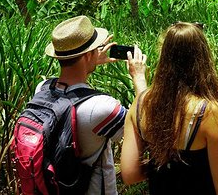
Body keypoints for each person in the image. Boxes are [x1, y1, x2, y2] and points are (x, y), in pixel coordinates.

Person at [120, 22, 218, 195]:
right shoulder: (207, 112)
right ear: (203, 58)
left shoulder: (139, 105)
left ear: (164, 56)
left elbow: (130, 174)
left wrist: (161, 164)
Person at [42, 15, 147, 195]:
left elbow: (73, 93)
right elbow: (145, 124)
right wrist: (138, 77)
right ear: (88, 54)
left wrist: (87, 62)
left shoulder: (42, 89)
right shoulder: (102, 108)